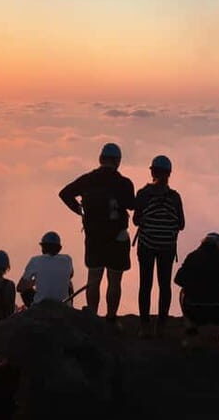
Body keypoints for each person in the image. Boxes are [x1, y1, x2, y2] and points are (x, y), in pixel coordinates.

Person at [58, 143, 135, 325]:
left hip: (93, 236)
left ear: (101, 159)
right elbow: (132, 205)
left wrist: (80, 210)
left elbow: (65, 193)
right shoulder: (123, 183)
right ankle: (111, 318)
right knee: (114, 281)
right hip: (118, 237)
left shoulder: (88, 179)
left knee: (94, 278)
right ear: (118, 161)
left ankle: (92, 318)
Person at [133, 155, 185, 338]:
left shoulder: (143, 194)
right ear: (169, 174)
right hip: (167, 247)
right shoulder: (175, 197)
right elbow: (181, 224)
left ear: (152, 171)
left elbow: (136, 220)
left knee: (145, 284)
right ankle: (161, 326)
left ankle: (144, 326)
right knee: (165, 285)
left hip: (146, 245)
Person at [17, 231, 74, 306]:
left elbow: (20, 287)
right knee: (69, 284)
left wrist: (36, 281)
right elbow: (70, 275)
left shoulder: (35, 260)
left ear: (43, 248)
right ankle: (68, 305)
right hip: (63, 305)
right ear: (59, 248)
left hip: (40, 305)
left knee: (25, 291)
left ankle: (32, 310)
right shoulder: (67, 259)